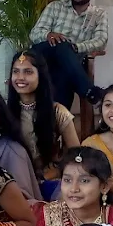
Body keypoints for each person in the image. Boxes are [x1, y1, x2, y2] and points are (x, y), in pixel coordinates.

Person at [30, 0, 109, 109]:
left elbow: (101, 40)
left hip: (70, 63)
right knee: (62, 45)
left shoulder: (98, 14)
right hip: (44, 56)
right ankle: (89, 92)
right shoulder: (55, 7)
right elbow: (35, 33)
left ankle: (56, 123)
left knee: (64, 74)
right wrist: (48, 35)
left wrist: (76, 48)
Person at [10, 49, 80, 196]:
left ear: (40, 76)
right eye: (16, 72)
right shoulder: (3, 112)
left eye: (28, 72)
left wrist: (50, 174)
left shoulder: (58, 112)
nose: (20, 77)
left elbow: (76, 155)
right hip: (14, 183)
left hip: (50, 181)